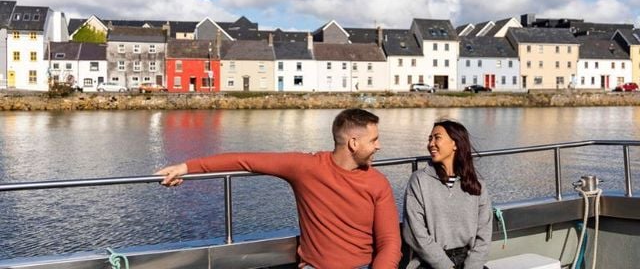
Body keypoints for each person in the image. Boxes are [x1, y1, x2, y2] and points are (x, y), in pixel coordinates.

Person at [155, 108, 401, 269]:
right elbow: (244, 160)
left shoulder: (377, 182)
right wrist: (186, 167)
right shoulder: (305, 166)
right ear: (353, 143)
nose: (379, 146)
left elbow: (389, 241)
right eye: (374, 140)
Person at [402, 120, 492, 269]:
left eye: (437, 138)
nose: (431, 143)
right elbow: (415, 233)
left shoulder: (477, 184)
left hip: (468, 261)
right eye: (430, 138)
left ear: (455, 144)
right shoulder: (419, 181)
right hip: (429, 262)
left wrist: (472, 266)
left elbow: (484, 233)